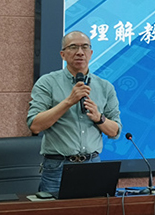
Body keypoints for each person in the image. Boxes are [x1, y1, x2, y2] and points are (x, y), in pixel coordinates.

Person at [27, 30, 122, 193]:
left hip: (93, 165)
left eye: (84, 47)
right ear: (63, 54)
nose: (80, 52)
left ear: (90, 53)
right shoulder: (47, 82)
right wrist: (68, 102)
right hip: (58, 167)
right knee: (55, 210)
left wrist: (99, 118)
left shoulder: (105, 87)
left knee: (95, 210)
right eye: (73, 47)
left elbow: (115, 132)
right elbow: (35, 125)